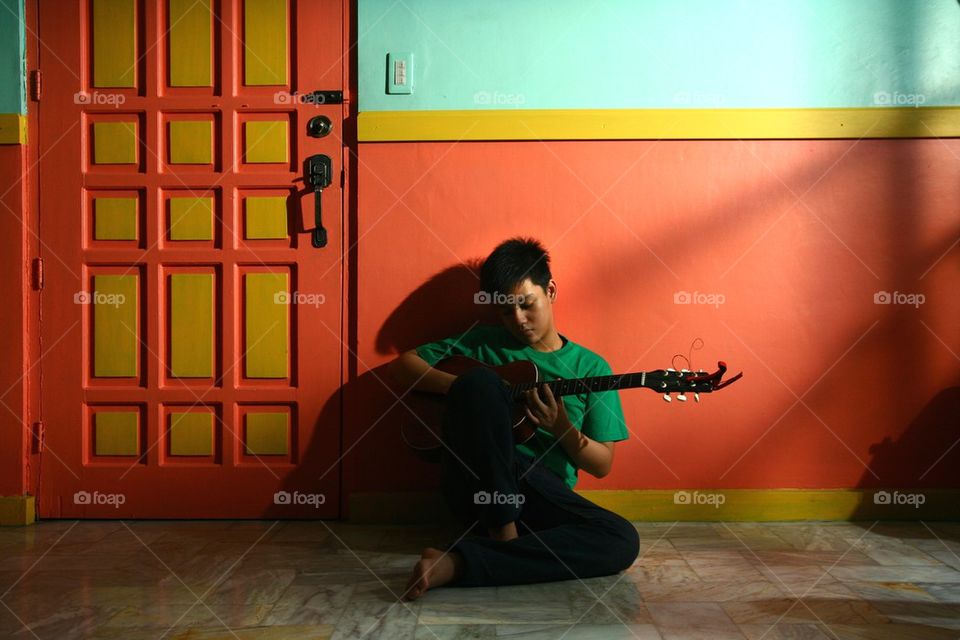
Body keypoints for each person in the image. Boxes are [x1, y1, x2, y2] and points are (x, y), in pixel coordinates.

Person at [389, 237, 640, 600]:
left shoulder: (592, 368)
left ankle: (458, 562)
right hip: (474, 486)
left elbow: (602, 465)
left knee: (621, 540)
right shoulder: (481, 344)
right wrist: (470, 391)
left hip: (542, 496)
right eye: (507, 311)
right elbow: (403, 365)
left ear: (549, 290)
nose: (518, 320)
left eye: (526, 304)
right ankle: (502, 531)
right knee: (480, 381)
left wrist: (561, 428)